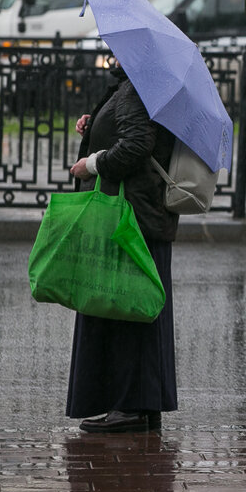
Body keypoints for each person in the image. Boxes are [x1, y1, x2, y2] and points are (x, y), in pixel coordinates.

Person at [67, 60, 178, 433]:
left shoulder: (135, 87)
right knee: (140, 309)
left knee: (125, 309)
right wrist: (96, 124)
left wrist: (92, 163)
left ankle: (129, 407)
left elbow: (136, 145)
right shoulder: (140, 83)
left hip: (131, 218)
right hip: (145, 216)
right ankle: (141, 405)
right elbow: (133, 132)